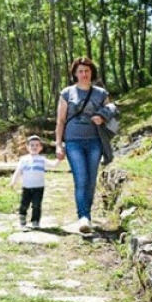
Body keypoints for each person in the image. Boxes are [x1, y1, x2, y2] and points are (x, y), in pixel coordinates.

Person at [55, 56, 110, 234]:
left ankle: (87, 214)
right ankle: (83, 217)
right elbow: (61, 120)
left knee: (91, 180)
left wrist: (102, 116)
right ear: (75, 74)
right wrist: (58, 145)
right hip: (73, 142)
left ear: (91, 72)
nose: (84, 74)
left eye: (87, 71)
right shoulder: (67, 93)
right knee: (81, 178)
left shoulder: (101, 93)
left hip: (95, 141)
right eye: (80, 71)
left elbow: (112, 110)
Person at [10, 135, 57, 228]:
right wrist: (13, 181)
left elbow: (53, 165)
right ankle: (22, 218)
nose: (34, 147)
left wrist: (59, 158)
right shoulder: (24, 159)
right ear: (27, 147)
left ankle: (35, 221)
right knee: (24, 204)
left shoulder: (42, 159)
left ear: (40, 148)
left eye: (36, 145)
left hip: (39, 187)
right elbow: (18, 171)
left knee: (36, 205)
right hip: (26, 187)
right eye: (32, 145)